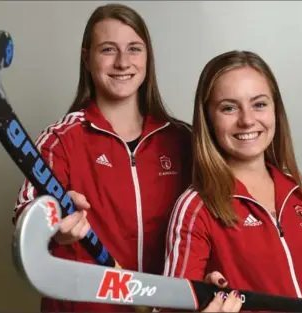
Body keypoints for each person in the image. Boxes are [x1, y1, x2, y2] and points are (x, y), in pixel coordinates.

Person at [12, 3, 236, 312]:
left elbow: (217, 226)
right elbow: (26, 222)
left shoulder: (184, 140)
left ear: (147, 58)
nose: (122, 62)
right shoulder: (60, 140)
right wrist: (55, 227)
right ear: (86, 57)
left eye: (134, 49)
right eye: (108, 50)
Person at [163, 50, 302, 312]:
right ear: (208, 118)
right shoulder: (195, 207)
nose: (247, 120)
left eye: (259, 104)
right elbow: (171, 305)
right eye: (229, 108)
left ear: (275, 109)